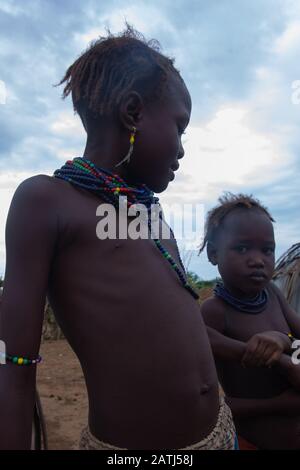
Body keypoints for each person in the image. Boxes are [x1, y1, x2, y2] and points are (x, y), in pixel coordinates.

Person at [0, 26, 236, 450]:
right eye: (180, 127)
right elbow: (13, 366)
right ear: (133, 113)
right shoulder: (47, 203)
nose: (182, 148)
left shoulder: (149, 212)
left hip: (221, 433)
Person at [200, 193, 300, 449]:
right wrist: (280, 402)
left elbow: (297, 339)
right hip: (252, 441)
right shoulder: (214, 312)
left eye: (267, 250)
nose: (257, 261)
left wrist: (282, 340)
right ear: (213, 254)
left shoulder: (273, 294)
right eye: (242, 248)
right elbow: (214, 405)